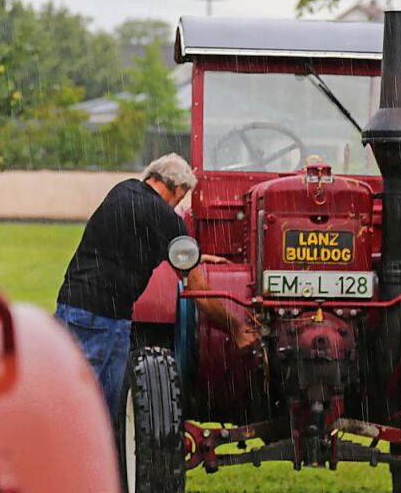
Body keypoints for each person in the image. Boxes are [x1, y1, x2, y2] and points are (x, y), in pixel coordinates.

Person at [55, 153, 255, 421]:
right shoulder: (169, 221)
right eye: (181, 198)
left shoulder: (122, 190)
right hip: (107, 319)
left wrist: (192, 256)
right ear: (178, 189)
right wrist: (236, 327)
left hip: (72, 304)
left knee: (66, 396)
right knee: (100, 411)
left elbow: (131, 242)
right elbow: (200, 293)